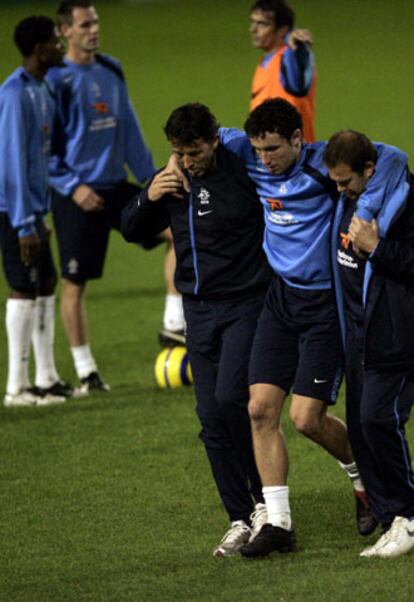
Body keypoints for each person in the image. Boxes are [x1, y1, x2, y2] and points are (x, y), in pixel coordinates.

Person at [217, 99, 406, 558]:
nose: (266, 158)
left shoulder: (325, 168)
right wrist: (178, 163)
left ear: (300, 141)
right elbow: (208, 134)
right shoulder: (247, 154)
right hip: (281, 299)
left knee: (305, 419)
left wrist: (370, 211)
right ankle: (278, 522)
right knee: (259, 408)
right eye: (259, 148)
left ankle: (362, 478)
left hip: (324, 306)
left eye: (276, 148)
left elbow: (393, 157)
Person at [120, 103, 272, 557]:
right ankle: (239, 517)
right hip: (198, 312)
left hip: (246, 302)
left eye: (194, 151)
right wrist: (150, 195)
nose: (187, 160)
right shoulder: (172, 181)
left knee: (231, 399)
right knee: (210, 418)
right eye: (179, 152)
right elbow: (130, 229)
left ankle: (267, 503)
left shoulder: (243, 168)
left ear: (214, 141)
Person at [46, 1, 184, 394]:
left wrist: (152, 179)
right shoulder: (56, 79)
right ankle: (87, 371)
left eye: (96, 21)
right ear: (66, 31)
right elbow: (46, 145)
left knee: (177, 232)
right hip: (77, 194)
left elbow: (129, 127)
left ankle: (174, 325)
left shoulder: (111, 68)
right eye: (86, 24)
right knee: (74, 283)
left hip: (115, 184)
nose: (94, 29)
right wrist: (73, 186)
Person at [325, 130, 414, 559]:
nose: (338, 190)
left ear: (370, 171)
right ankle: (391, 515)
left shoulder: (407, 203)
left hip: (396, 334)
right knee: (363, 426)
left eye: (345, 182)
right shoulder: (350, 199)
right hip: (358, 335)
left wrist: (376, 248)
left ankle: (409, 515)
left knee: (379, 420)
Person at [0, 16, 78, 407]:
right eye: (54, 41)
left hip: (31, 209)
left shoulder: (42, 89)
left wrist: (38, 215)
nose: (60, 45)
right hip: (12, 210)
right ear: (38, 49)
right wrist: (24, 223)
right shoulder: (15, 94)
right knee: (23, 287)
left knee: (45, 281)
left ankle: (45, 377)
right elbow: (11, 162)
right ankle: (17, 387)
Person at [249, 0, 316, 142]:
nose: (253, 29)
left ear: (282, 30)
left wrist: (298, 45)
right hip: (267, 154)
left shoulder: (289, 57)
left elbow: (300, 71)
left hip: (294, 157)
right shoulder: (265, 63)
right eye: (253, 22)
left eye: (262, 24)